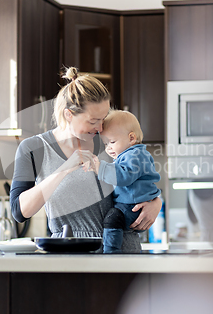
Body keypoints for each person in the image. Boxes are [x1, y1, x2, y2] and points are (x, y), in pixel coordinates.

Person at [9, 67, 162, 253]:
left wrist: (156, 203)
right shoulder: (34, 148)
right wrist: (65, 169)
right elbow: (19, 212)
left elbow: (141, 175)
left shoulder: (110, 143)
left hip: (123, 255)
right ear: (68, 115)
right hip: (71, 258)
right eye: (93, 121)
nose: (100, 128)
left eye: (103, 119)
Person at [91, 110, 161, 253]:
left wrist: (100, 168)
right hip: (133, 204)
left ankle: (111, 252)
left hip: (132, 206)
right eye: (105, 143)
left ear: (131, 138)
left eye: (112, 142)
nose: (108, 148)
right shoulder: (130, 154)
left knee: (112, 218)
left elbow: (123, 177)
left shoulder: (135, 155)